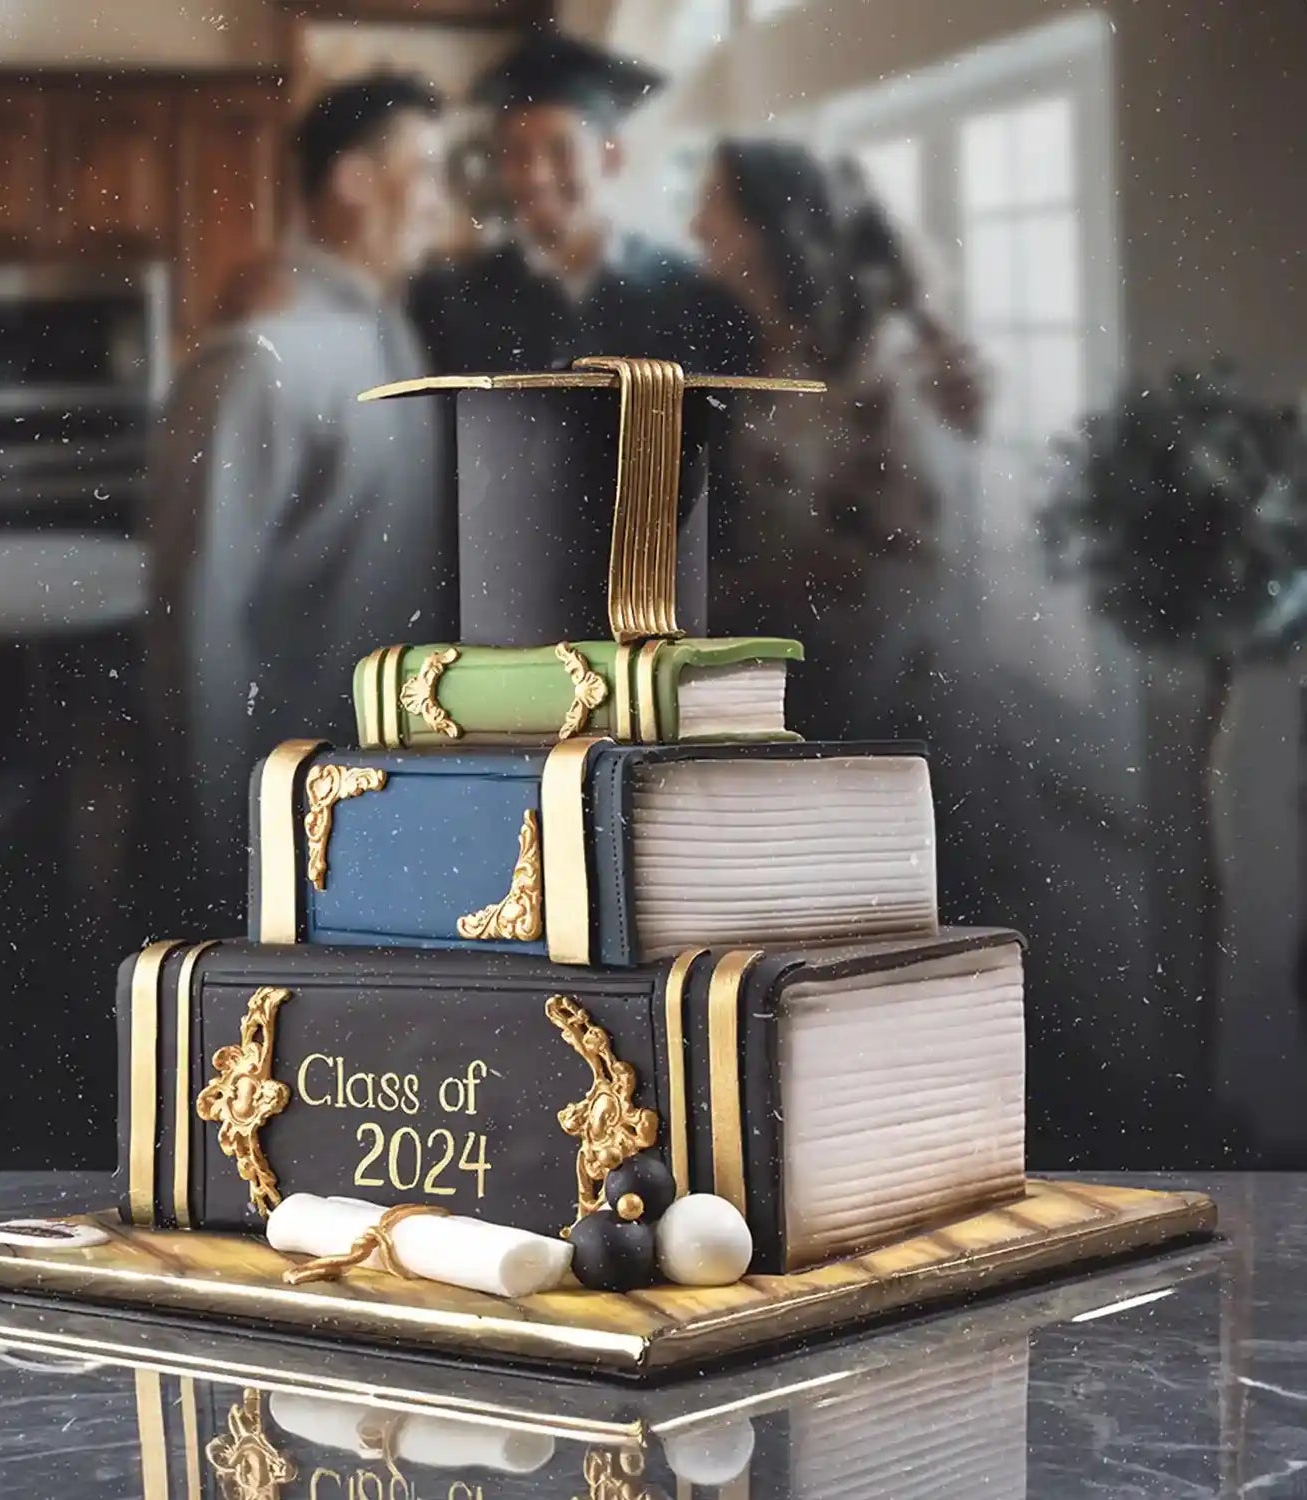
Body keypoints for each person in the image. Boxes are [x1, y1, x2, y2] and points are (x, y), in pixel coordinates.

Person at [148, 73, 457, 899]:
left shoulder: (391, 337)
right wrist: (222, 859)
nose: (440, 198)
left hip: (384, 791)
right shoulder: (260, 359)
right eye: (426, 169)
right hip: (279, 818)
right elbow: (197, 624)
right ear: (355, 181)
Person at [690, 138, 986, 740]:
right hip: (788, 678)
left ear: (766, 223)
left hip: (878, 695)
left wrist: (733, 592)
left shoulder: (875, 359)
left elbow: (904, 565)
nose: (695, 225)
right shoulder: (752, 346)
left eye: (714, 203)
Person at [411, 33, 749, 375]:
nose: (536, 176)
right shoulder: (455, 301)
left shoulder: (687, 295)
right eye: (517, 153)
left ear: (610, 156)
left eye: (561, 150)